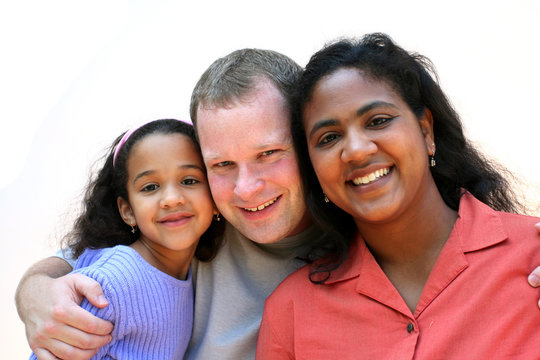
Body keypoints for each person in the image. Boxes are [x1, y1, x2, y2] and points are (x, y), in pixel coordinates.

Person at [15, 47, 540, 360]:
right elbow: (91, 253)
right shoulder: (195, 228)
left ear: (311, 142)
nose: (247, 188)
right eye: (222, 165)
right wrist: (35, 289)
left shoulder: (377, 227)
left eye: (268, 154)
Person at [256, 33, 540, 359]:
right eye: (329, 137)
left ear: (426, 131)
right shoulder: (291, 314)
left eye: (378, 121)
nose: (357, 151)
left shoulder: (532, 258)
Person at [29, 119, 224, 359]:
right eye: (150, 187)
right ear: (128, 211)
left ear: (215, 197)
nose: (172, 199)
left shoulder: (189, 274)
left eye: (189, 181)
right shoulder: (112, 282)